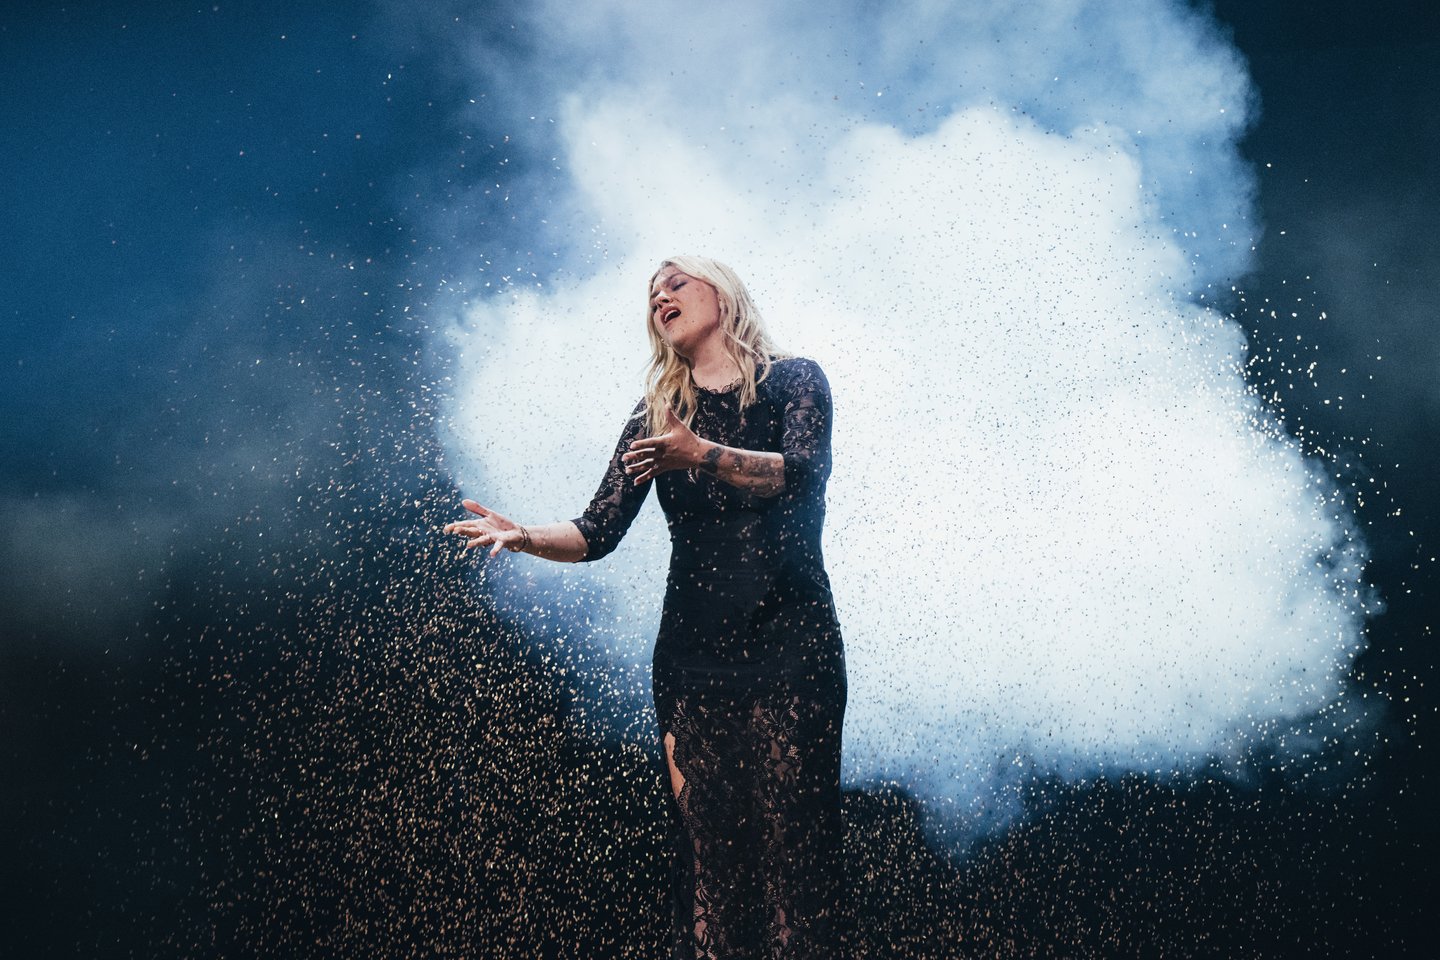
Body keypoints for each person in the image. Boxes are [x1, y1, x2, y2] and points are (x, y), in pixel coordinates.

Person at [443, 255, 849, 958]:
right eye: (652, 292)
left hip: (790, 644)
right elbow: (597, 529)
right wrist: (523, 535)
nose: (661, 295)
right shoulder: (658, 416)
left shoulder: (794, 380)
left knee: (793, 859)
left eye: (676, 282)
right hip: (693, 657)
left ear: (722, 293)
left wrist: (701, 454)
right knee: (712, 863)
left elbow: (802, 474)